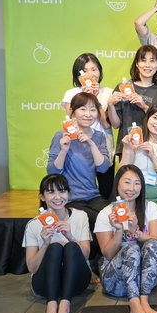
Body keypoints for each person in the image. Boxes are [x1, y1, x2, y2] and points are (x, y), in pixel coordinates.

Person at [94, 165, 157, 313]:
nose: (132, 188)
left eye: (137, 183)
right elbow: (108, 254)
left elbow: (156, 242)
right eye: (127, 182)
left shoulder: (151, 208)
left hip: (145, 282)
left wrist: (137, 233)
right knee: (130, 247)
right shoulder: (105, 213)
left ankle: (144, 300)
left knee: (151, 243)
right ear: (117, 183)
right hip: (116, 284)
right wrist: (119, 230)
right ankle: (134, 303)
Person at [22, 174, 91, 313]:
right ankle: (51, 307)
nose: (58, 197)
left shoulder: (80, 216)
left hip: (75, 282)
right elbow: (32, 267)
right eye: (51, 192)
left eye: (62, 191)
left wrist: (71, 237)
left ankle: (65, 306)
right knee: (54, 247)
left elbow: (86, 256)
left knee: (71, 246)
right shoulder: (33, 225)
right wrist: (45, 244)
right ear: (42, 197)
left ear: (68, 194)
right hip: (44, 285)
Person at [47, 92, 110, 248]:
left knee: (111, 216)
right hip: (71, 198)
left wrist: (91, 144)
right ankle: (90, 256)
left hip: (93, 196)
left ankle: (106, 256)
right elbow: (52, 172)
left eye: (93, 109)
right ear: (72, 112)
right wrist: (63, 150)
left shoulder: (99, 137)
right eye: (83, 109)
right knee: (97, 219)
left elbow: (103, 168)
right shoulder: (60, 136)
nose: (88, 114)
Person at [61, 53, 115, 199]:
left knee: (106, 190)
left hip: (103, 146)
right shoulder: (71, 93)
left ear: (100, 71)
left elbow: (106, 124)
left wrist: (95, 99)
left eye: (94, 69)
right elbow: (72, 119)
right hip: (79, 147)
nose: (90, 75)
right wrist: (85, 97)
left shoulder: (109, 93)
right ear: (77, 74)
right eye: (84, 71)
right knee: (81, 190)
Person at [107, 45, 157, 158]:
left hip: (153, 148)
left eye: (152, 61)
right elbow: (116, 124)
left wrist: (144, 106)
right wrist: (110, 104)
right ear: (137, 64)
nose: (147, 65)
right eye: (143, 60)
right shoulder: (123, 87)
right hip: (127, 147)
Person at [119, 103, 157, 219]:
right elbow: (121, 171)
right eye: (155, 117)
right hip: (136, 193)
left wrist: (153, 156)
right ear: (147, 119)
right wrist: (128, 150)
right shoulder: (135, 140)